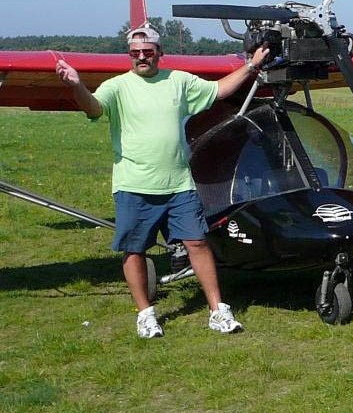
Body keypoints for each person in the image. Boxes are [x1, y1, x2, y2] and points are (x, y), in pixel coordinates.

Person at [55, 25, 267, 339]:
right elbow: (94, 108)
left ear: (159, 54)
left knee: (197, 243)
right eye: (135, 53)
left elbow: (219, 90)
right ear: (129, 55)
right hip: (134, 185)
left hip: (179, 183)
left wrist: (251, 65)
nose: (142, 57)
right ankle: (145, 314)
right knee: (135, 249)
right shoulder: (117, 86)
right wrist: (76, 86)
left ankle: (217, 310)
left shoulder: (178, 81)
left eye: (148, 52)